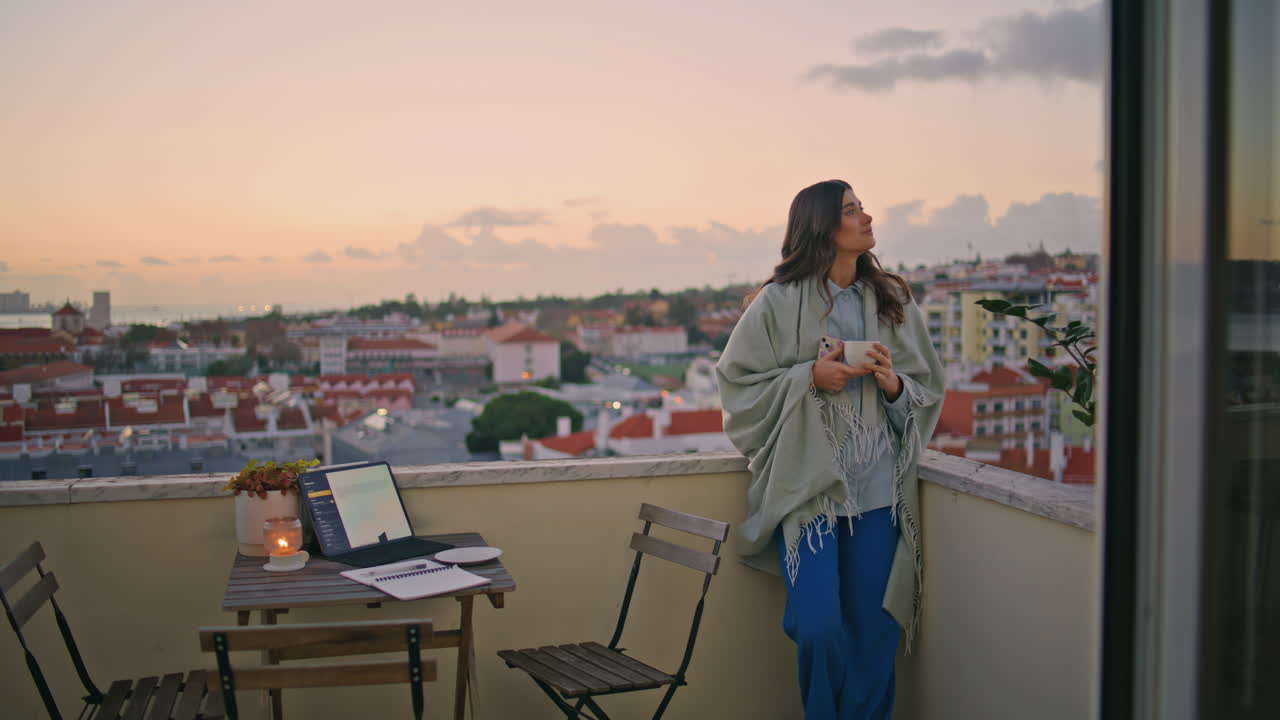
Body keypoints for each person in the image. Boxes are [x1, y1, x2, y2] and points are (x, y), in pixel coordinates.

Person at [715, 179, 944, 719]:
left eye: (861, 207)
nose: (866, 217)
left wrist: (892, 384)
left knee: (875, 631)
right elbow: (737, 387)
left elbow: (926, 385)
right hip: (810, 494)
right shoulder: (776, 302)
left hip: (877, 495)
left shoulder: (893, 299)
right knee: (819, 627)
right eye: (850, 210)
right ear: (822, 226)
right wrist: (807, 376)